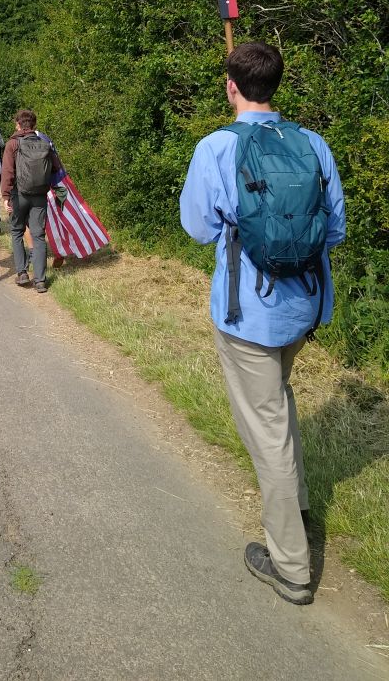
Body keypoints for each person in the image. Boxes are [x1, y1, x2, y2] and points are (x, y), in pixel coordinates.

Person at [179, 41, 345, 607]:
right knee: (280, 400)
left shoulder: (217, 146)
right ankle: (295, 504)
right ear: (276, 84)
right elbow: (335, 229)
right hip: (304, 306)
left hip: (247, 311)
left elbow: (199, 228)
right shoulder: (312, 143)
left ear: (231, 86)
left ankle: (291, 566)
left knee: (267, 427)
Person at [0, 109, 64, 294]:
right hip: (40, 195)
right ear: (34, 125)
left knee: (17, 231)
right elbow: (56, 166)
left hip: (19, 194)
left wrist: (5, 196)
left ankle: (22, 273)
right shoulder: (44, 142)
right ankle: (41, 281)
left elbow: (8, 172)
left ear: (18, 125)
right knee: (38, 235)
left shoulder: (13, 144)